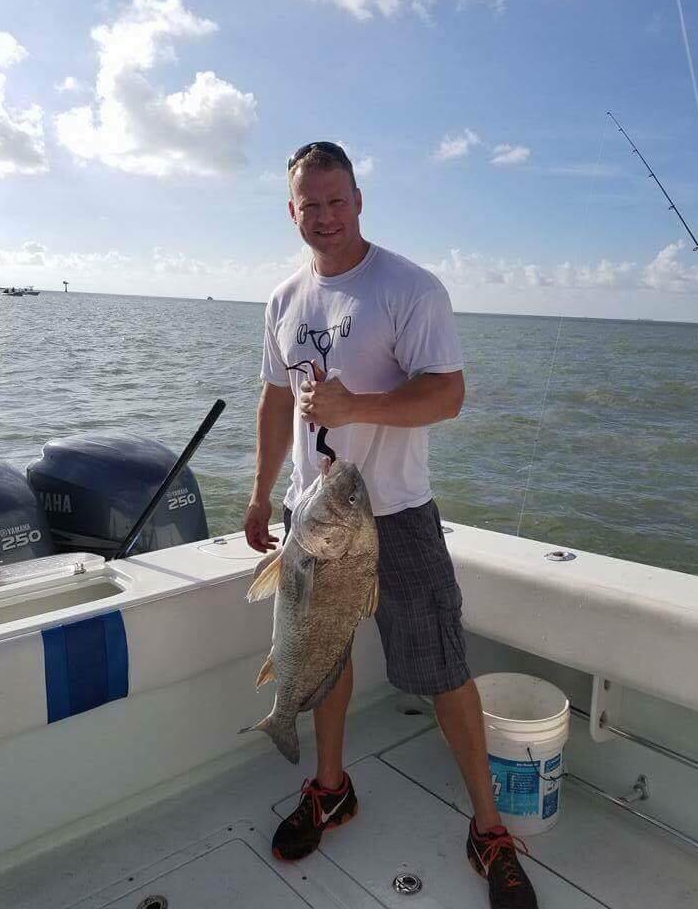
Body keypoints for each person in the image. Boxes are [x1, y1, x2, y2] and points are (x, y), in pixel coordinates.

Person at [244, 141, 538, 909]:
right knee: (324, 662)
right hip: (310, 517)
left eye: (338, 201)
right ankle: (330, 788)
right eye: (311, 205)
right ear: (291, 210)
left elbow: (447, 395)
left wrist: (357, 406)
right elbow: (276, 402)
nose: (326, 217)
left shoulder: (409, 288)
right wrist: (258, 492)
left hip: (398, 517)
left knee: (443, 668)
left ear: (360, 200)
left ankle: (488, 829)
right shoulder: (282, 299)